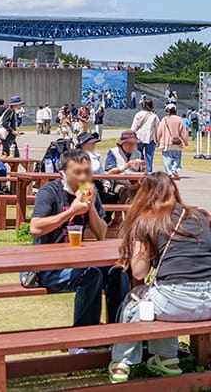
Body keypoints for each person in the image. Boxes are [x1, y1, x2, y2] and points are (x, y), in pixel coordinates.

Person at [109, 173, 211, 384]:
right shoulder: (201, 216)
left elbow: (138, 272)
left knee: (136, 298)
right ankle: (167, 360)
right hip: (209, 299)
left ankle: (122, 364)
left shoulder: (147, 220)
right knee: (157, 294)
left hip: (174, 302)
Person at [30, 150, 129, 334]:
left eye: (87, 171)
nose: (83, 177)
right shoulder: (50, 192)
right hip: (48, 267)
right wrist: (71, 212)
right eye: (77, 172)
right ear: (62, 174)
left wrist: (90, 209)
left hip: (80, 261)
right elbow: (35, 228)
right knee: (91, 275)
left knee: (117, 271)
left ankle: (119, 334)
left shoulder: (91, 191)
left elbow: (101, 234)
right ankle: (84, 337)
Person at [104, 130, 145, 204]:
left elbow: (144, 173)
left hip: (135, 184)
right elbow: (109, 172)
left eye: (135, 144)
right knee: (124, 193)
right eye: (130, 144)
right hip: (119, 183)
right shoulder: (113, 152)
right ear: (123, 143)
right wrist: (126, 166)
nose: (133, 146)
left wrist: (143, 167)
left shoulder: (138, 153)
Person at [157, 103, 188, 179]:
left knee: (167, 158)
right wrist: (186, 141)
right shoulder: (179, 119)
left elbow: (159, 131)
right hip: (176, 142)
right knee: (177, 157)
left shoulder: (164, 119)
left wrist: (158, 141)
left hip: (167, 142)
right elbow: (183, 132)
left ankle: (169, 172)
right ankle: (175, 169)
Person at [131, 98, 160, 173]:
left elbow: (133, 128)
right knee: (149, 156)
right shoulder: (154, 116)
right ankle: (148, 170)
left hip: (139, 137)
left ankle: (139, 169)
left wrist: (131, 136)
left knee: (138, 155)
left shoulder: (138, 114)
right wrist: (158, 140)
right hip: (150, 138)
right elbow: (157, 129)